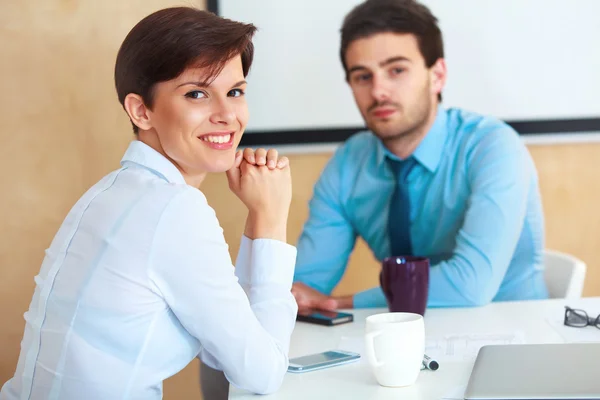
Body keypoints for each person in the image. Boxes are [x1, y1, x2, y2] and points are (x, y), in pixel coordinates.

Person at [1, 7, 297, 400]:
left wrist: (260, 217)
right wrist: (271, 218)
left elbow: (222, 343)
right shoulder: (173, 210)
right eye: (197, 94)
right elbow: (261, 374)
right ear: (141, 111)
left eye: (235, 92)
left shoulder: (110, 192)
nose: (227, 115)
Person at [292, 0, 548, 313]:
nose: (378, 92)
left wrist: (345, 303)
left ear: (437, 75)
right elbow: (305, 285)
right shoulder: (348, 164)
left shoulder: (493, 147)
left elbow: (470, 285)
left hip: (511, 334)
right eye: (362, 76)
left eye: (396, 70)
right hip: (405, 341)